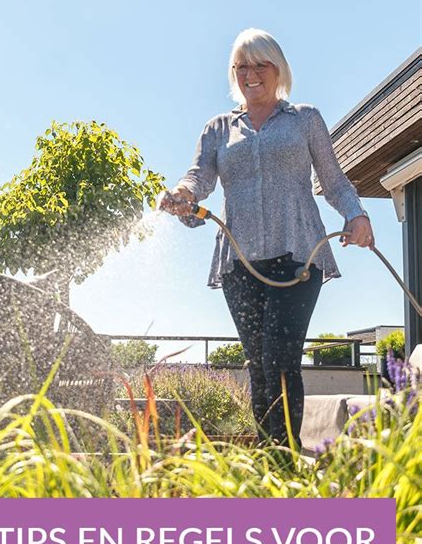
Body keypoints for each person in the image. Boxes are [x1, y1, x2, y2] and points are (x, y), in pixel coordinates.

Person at [159, 28, 374, 450]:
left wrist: (357, 215)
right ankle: (268, 464)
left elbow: (334, 182)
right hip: (240, 263)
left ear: (279, 70)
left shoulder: (305, 120)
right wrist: (184, 194)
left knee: (279, 358)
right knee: (258, 365)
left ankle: (284, 461)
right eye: (242, 66)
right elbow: (199, 176)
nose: (250, 74)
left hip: (298, 256)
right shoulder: (219, 128)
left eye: (260, 65)